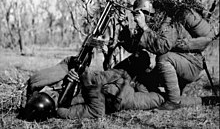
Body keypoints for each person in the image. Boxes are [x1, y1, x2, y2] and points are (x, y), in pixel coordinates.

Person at [118, 0, 216, 110]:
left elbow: (163, 46)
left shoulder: (167, 20)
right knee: (141, 82)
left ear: (147, 12)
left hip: (191, 63)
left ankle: (173, 101)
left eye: (138, 13)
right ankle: (169, 100)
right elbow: (133, 47)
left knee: (163, 58)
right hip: (178, 62)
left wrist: (144, 26)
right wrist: (124, 27)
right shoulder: (151, 23)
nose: (135, 18)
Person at [18, 52, 165, 121]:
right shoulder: (64, 111)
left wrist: (76, 68)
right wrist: (86, 81)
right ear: (52, 108)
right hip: (120, 97)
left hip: (113, 75)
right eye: (53, 98)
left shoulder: (40, 83)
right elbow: (96, 111)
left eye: (49, 93)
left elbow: (68, 62)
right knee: (161, 97)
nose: (54, 93)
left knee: (141, 56)